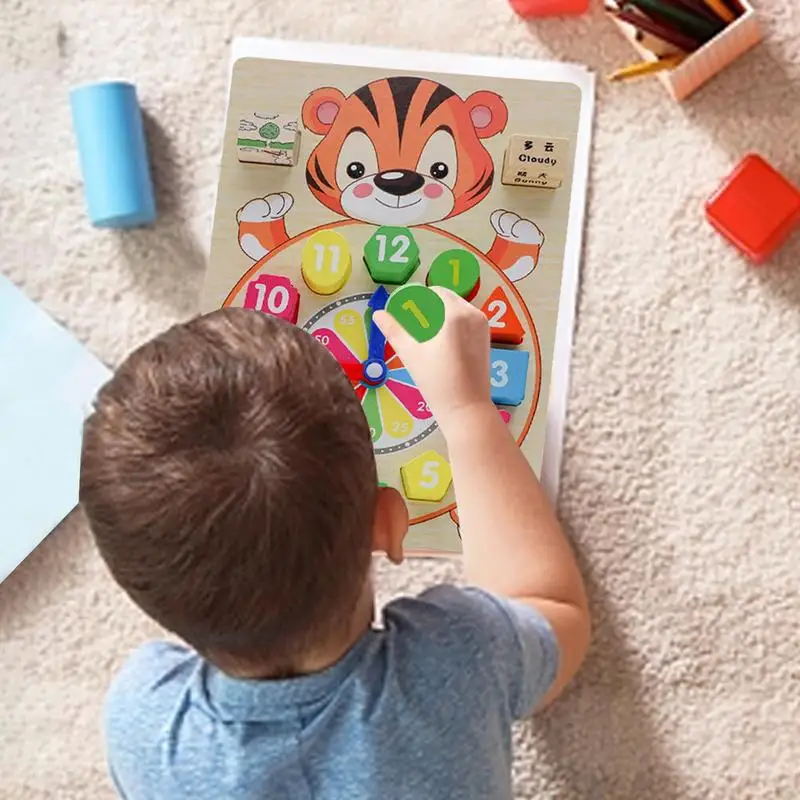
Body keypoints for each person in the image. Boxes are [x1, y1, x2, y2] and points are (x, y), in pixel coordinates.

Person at [79, 289, 590, 800]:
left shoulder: (143, 723)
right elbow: (554, 608)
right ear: (389, 523)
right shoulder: (459, 655)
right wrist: (466, 410)